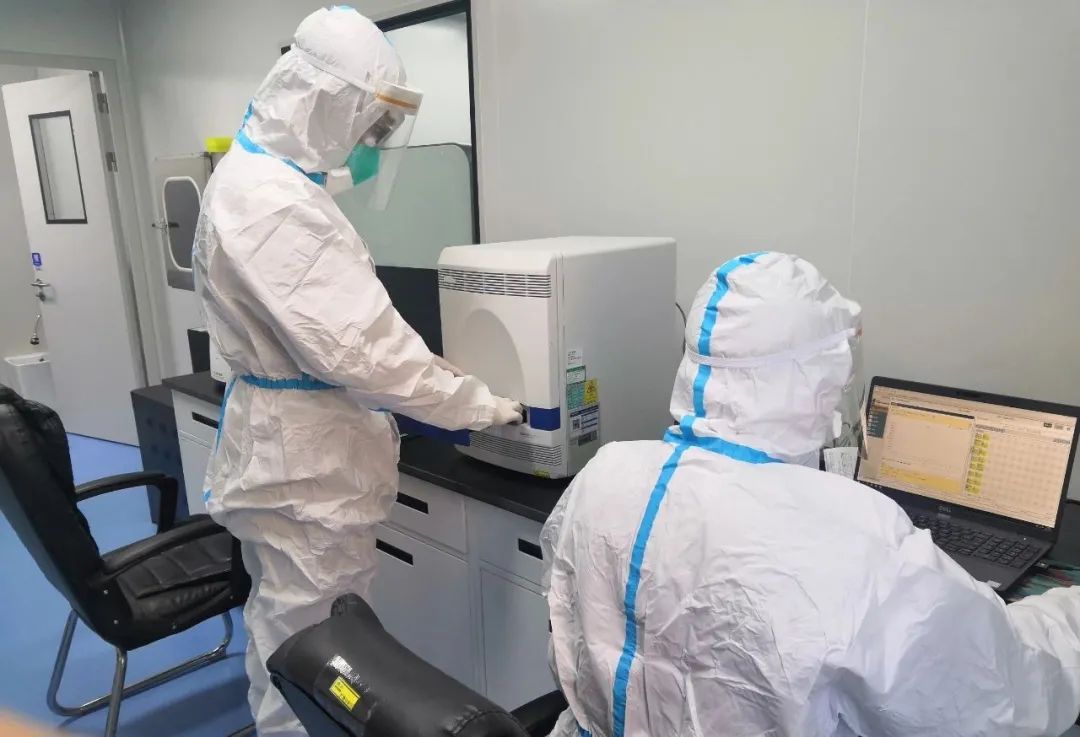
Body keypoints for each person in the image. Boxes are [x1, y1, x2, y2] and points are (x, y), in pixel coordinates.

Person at [541, 252, 1080, 737]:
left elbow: (570, 637)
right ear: (816, 381)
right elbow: (999, 698)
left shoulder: (604, 474)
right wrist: (1066, 613)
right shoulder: (853, 539)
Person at [192, 7, 521, 736]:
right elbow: (363, 353)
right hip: (307, 472)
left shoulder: (263, 178)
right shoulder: (273, 205)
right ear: (327, 102)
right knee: (317, 655)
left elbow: (339, 328)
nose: (370, 140)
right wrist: (476, 404)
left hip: (291, 455)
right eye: (368, 121)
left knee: (285, 634)